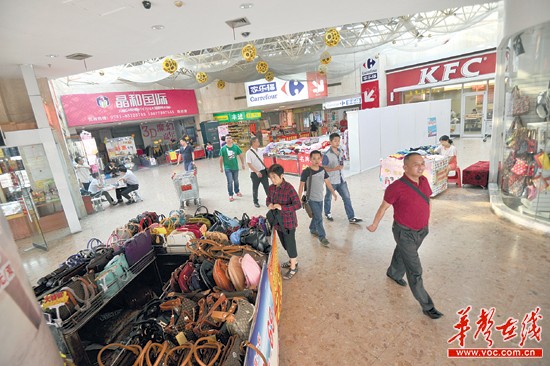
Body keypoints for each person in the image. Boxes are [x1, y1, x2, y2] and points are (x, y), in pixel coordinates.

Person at [366, 153, 443, 320]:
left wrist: (427, 220)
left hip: (422, 230)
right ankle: (427, 306)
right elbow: (383, 208)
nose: (421, 167)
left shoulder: (423, 181)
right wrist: (374, 225)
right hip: (404, 232)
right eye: (416, 164)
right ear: (405, 167)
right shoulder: (395, 187)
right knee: (415, 270)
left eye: (422, 163)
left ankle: (393, 273)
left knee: (402, 252)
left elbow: (427, 200)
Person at [266, 164, 302, 280]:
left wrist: (283, 208)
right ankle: (293, 261)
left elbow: (298, 205)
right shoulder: (271, 188)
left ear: (282, 176)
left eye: (275, 177)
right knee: (285, 244)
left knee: (290, 244)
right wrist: (269, 204)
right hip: (278, 222)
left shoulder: (289, 188)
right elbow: (268, 199)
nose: (272, 180)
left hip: (288, 222)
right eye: (271, 177)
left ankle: (293, 267)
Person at [298, 150, 337, 247]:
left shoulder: (322, 170)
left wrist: (333, 192)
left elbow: (327, 182)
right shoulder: (306, 171)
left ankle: (312, 228)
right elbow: (301, 186)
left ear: (321, 159)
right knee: (319, 218)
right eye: (314, 158)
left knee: (316, 216)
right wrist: (299, 198)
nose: (316, 160)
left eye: (318, 158)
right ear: (310, 159)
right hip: (311, 199)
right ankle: (322, 237)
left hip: (320, 198)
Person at [322, 133, 362, 224]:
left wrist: (341, 166)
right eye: (335, 141)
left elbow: (341, 162)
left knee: (347, 197)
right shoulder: (327, 155)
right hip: (331, 181)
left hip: (341, 180)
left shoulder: (340, 151)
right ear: (330, 142)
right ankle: (327, 213)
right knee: (328, 197)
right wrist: (334, 169)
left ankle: (351, 217)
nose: (337, 142)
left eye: (338, 141)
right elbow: (323, 168)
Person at [219, 135, 245, 202]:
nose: (229, 139)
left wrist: (243, 164)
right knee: (230, 181)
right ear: (225, 140)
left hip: (235, 167)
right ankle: (230, 195)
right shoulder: (223, 149)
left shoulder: (236, 147)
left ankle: (237, 191)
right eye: (227, 138)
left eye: (230, 138)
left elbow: (241, 155)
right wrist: (221, 167)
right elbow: (221, 158)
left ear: (232, 139)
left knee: (236, 180)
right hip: (227, 168)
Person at [246, 137, 269, 208]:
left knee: (267, 187)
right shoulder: (248, 152)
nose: (259, 142)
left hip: (263, 171)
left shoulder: (260, 150)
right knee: (255, 188)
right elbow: (249, 164)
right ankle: (255, 201)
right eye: (257, 141)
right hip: (255, 173)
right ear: (253, 142)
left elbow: (267, 149)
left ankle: (270, 201)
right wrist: (256, 172)